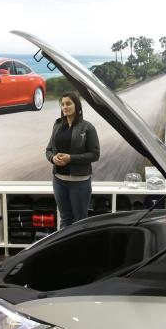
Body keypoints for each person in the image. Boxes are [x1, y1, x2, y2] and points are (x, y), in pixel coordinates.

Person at [45, 91, 100, 229]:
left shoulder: (88, 127)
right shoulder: (57, 125)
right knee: (65, 219)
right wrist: (53, 158)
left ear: (77, 105)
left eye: (68, 103)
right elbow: (48, 150)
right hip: (58, 180)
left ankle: (80, 250)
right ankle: (65, 249)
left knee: (80, 221)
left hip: (80, 182)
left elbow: (95, 154)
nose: (65, 107)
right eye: (62, 104)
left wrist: (71, 158)